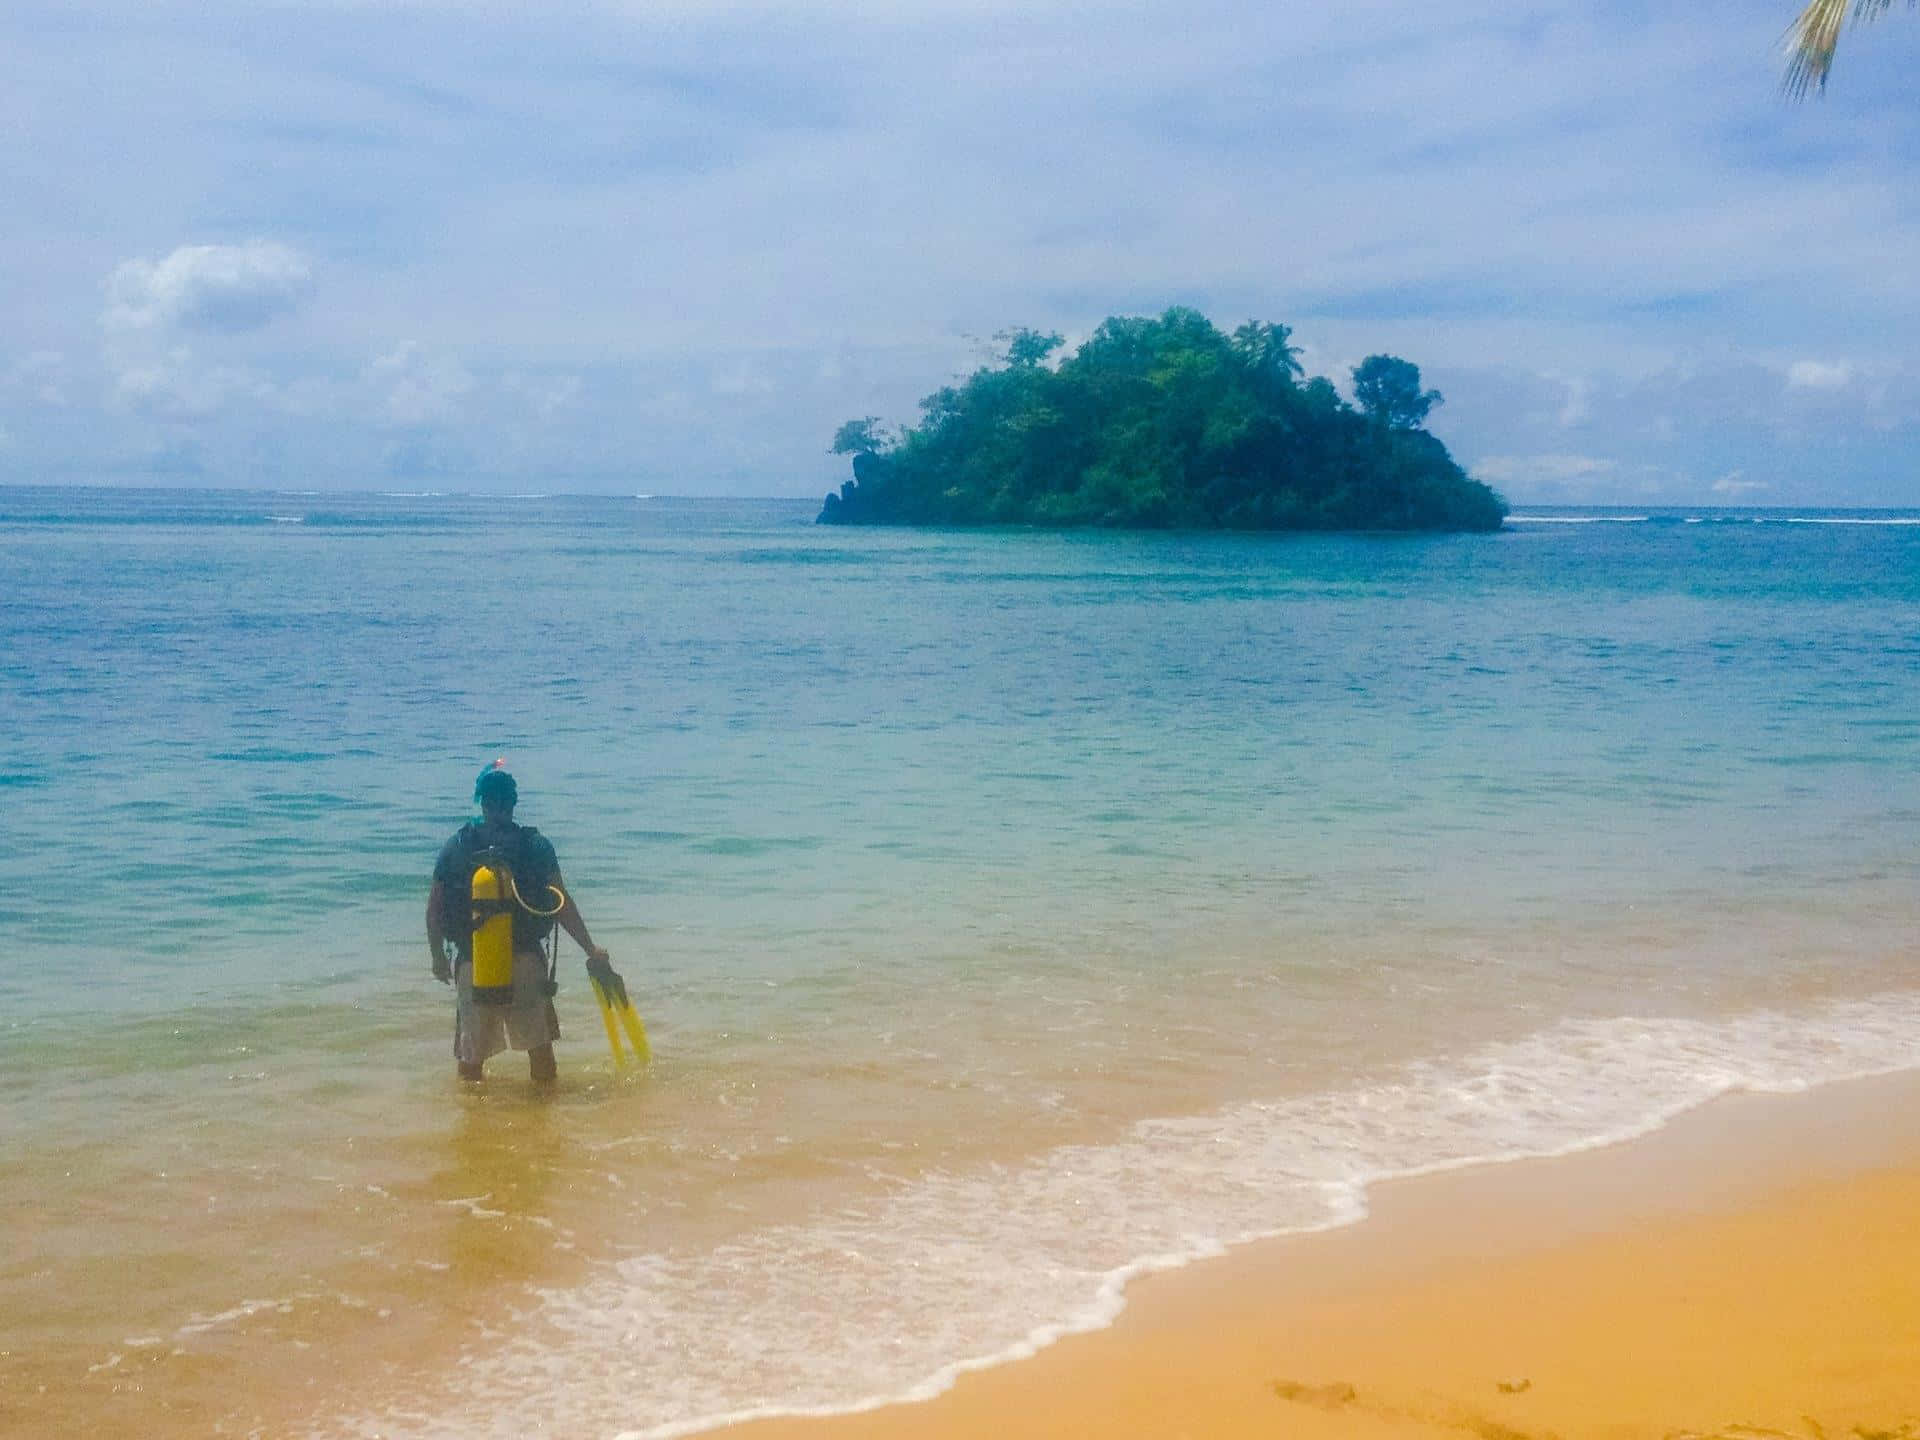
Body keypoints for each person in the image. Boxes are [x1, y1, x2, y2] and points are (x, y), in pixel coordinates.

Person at [426, 760, 620, 1083]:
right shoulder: (535, 845)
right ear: (513, 803)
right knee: (540, 1052)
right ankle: (543, 1118)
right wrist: (590, 948)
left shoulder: (456, 846)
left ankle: (472, 1126)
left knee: (470, 1059)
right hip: (526, 962)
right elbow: (561, 902)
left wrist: (436, 957)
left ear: (482, 802)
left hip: (475, 962)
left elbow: (434, 910)